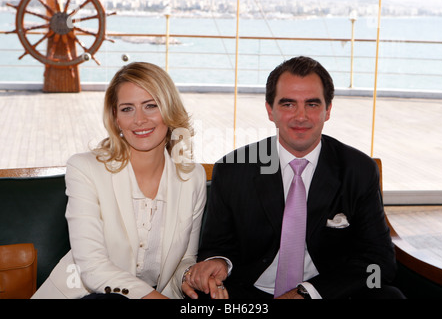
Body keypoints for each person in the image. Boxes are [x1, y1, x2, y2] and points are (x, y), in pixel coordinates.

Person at [182, 56, 404, 299]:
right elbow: (215, 248)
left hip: (324, 293)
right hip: (249, 294)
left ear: (328, 110)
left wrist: (307, 293)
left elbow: (379, 263)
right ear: (270, 110)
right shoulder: (234, 168)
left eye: (312, 104)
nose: (301, 117)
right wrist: (219, 262)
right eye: (288, 104)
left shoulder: (357, 169)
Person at [32, 62, 207, 299]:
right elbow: (92, 266)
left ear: (169, 109)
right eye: (127, 109)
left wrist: (189, 276)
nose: (139, 120)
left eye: (151, 106)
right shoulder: (85, 168)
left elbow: (184, 259)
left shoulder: (192, 177)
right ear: (115, 117)